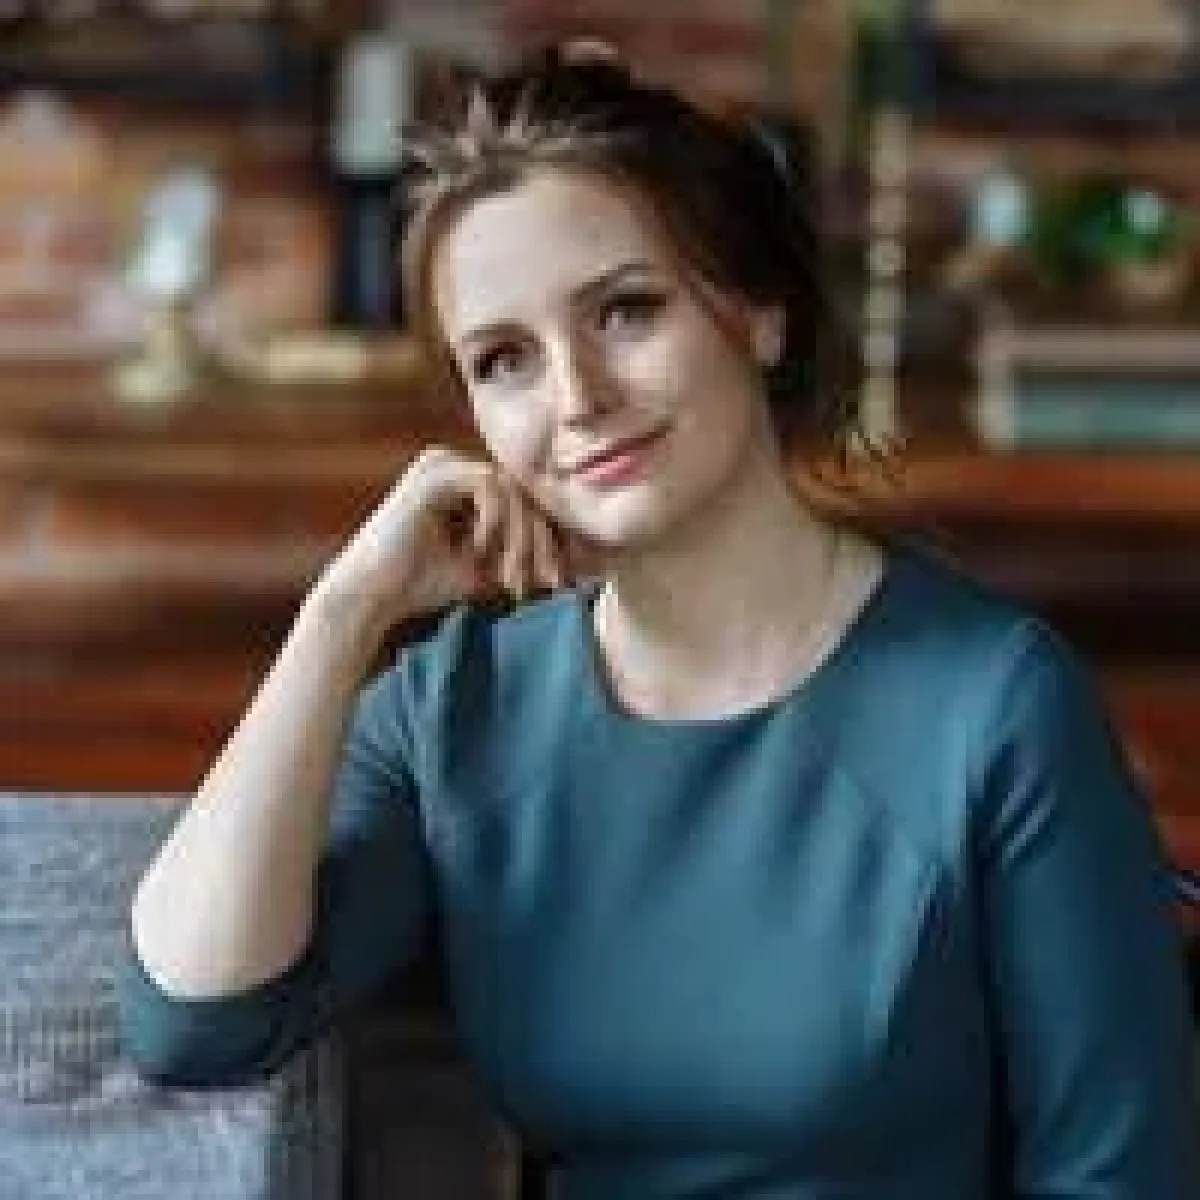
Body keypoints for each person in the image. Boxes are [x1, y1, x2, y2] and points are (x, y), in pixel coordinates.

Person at [118, 43, 1198, 1198]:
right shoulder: (458, 706)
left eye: (626, 311)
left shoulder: (994, 706)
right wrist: (341, 615)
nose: (577, 397)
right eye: (505, 361)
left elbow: (1120, 1176)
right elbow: (197, 1019)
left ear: (758, 314)